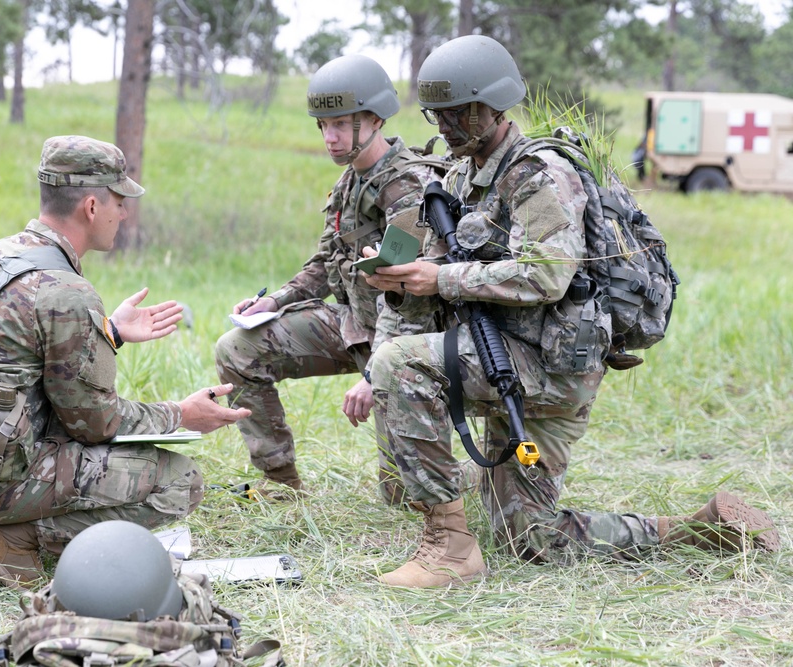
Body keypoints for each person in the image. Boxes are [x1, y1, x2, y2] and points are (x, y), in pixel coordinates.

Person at [362, 35, 779, 588]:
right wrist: (401, 271)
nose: (445, 125)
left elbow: (547, 273)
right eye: (436, 113)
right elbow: (452, 259)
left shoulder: (539, 174)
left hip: (551, 368)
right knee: (533, 540)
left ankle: (450, 550)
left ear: (495, 104)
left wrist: (441, 277)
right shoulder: (463, 175)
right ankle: (698, 531)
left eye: (457, 112)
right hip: (503, 356)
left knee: (400, 364)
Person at [0, 135, 251, 589]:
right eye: (119, 200)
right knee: (180, 482)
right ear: (91, 206)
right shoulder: (65, 292)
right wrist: (181, 415)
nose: (123, 213)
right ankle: (14, 539)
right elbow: (95, 424)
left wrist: (107, 332)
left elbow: (14, 362)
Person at [214, 55, 441, 500]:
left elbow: (411, 299)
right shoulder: (349, 183)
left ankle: (478, 477)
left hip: (405, 343)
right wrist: (274, 302)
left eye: (340, 124)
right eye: (322, 125)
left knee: (403, 497)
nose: (329, 137)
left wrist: (376, 373)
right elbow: (325, 262)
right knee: (238, 349)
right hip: (353, 324)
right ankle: (281, 483)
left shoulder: (407, 186)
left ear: (374, 120)